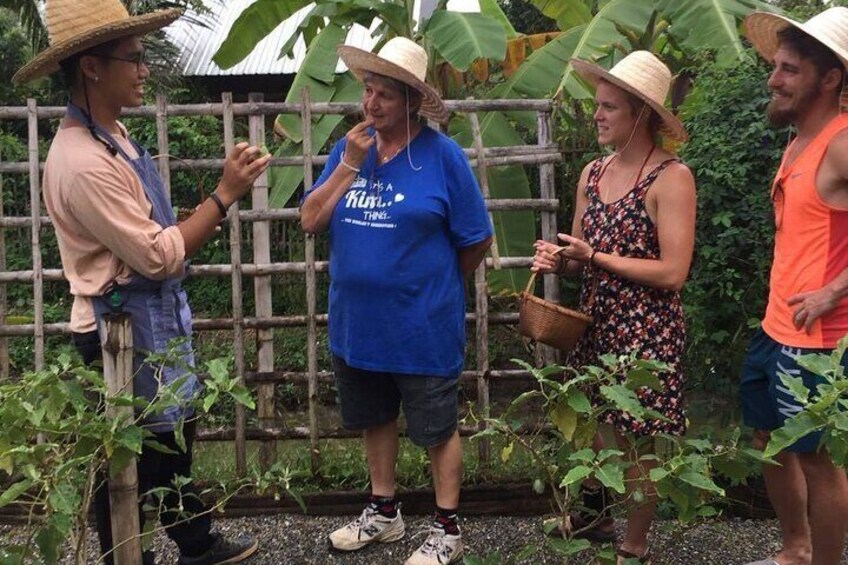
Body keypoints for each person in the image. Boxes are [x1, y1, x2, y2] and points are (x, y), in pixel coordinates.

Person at [12, 1, 271, 563]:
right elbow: (157, 255)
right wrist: (224, 194)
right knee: (130, 456)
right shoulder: (82, 161)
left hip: (146, 318)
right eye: (132, 58)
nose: (143, 68)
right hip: (117, 328)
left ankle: (190, 544)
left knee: (169, 441)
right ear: (91, 67)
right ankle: (124, 555)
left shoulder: (114, 135)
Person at [299, 37, 493, 565]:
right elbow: (310, 220)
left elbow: (476, 237)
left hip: (421, 323)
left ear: (411, 100)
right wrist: (348, 166)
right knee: (375, 417)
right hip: (356, 323)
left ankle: (447, 530)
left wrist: (434, 283)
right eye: (368, 89)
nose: (371, 103)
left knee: (436, 429)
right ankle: (384, 513)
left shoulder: (442, 157)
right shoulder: (349, 149)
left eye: (384, 93)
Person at [531, 51, 696, 564]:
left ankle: (635, 544)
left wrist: (596, 256)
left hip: (647, 332)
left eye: (609, 108)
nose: (597, 115)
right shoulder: (593, 173)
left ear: (641, 115)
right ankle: (597, 518)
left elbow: (673, 272)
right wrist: (562, 261)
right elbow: (582, 259)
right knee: (600, 427)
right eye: (597, 104)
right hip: (598, 325)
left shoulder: (671, 178)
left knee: (639, 442)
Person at [740, 7, 848, 565]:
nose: (773, 78)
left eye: (789, 70)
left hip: (819, 337)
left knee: (817, 460)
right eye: (775, 66)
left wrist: (834, 291)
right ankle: (795, 551)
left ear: (829, 79)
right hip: (776, 328)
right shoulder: (800, 140)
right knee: (768, 440)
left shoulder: (840, 142)